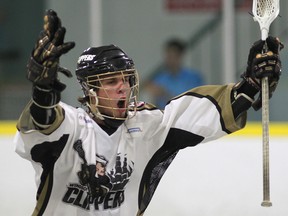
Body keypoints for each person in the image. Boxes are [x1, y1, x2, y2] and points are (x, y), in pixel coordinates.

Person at [14, 9, 283, 216]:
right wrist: (43, 90)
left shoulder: (145, 126)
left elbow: (202, 114)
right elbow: (43, 121)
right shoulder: (70, 126)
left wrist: (248, 84)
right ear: (89, 91)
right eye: (111, 82)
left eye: (127, 79)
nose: (124, 87)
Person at [144, 38, 204, 109]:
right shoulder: (159, 78)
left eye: (173, 56)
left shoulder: (193, 78)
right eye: (168, 56)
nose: (170, 60)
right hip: (165, 116)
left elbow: (192, 102)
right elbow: (153, 103)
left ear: (180, 56)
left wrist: (164, 94)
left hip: (187, 115)